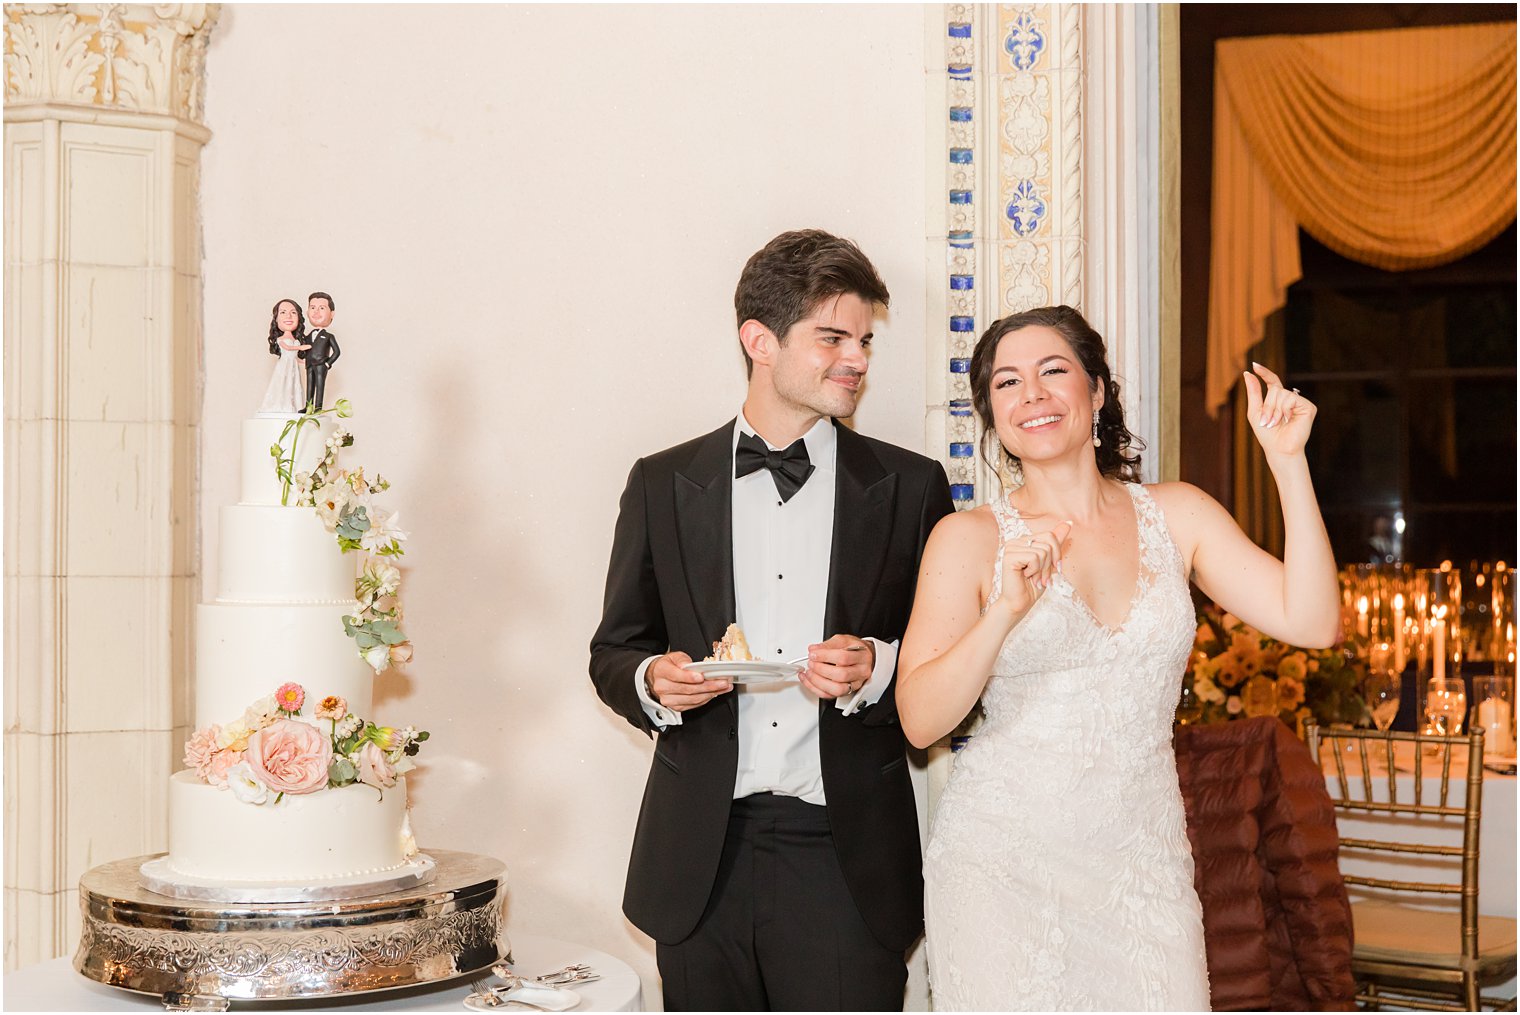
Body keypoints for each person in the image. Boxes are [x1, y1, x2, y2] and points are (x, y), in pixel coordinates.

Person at [895, 305, 1339, 1011]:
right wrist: (1005, 611)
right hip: (1003, 870)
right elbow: (920, 720)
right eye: (1007, 383)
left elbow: (1312, 620)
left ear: (1097, 390)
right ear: (992, 415)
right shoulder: (968, 539)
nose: (1031, 395)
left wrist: (1288, 465)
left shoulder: (1178, 513)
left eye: (1052, 371)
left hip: (1143, 870)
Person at [589, 229, 954, 1011]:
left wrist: (878, 667)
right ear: (759, 339)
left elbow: (953, 669)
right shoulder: (660, 483)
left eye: (863, 340)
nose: (855, 358)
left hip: (847, 857)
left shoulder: (913, 487)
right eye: (832, 336)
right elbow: (614, 650)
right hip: (699, 859)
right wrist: (654, 680)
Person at [258, 298, 310, 413]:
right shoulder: (281, 339)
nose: (288, 316)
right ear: (276, 319)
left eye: (293, 312)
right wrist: (300, 347)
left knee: (294, 385)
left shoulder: (295, 339)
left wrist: (308, 362)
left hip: (293, 367)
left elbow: (296, 357)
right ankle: (282, 406)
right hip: (284, 366)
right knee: (283, 384)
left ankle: (296, 407)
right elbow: (287, 348)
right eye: (283, 312)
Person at [302, 291, 341, 410]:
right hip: (309, 365)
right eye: (312, 307)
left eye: (322, 308)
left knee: (320, 385)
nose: (316, 311)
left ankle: (318, 407)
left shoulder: (328, 336)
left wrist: (327, 363)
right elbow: (303, 350)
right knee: (309, 386)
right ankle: (308, 406)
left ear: (332, 313)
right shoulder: (307, 336)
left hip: (321, 365)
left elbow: (337, 352)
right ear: (307, 312)